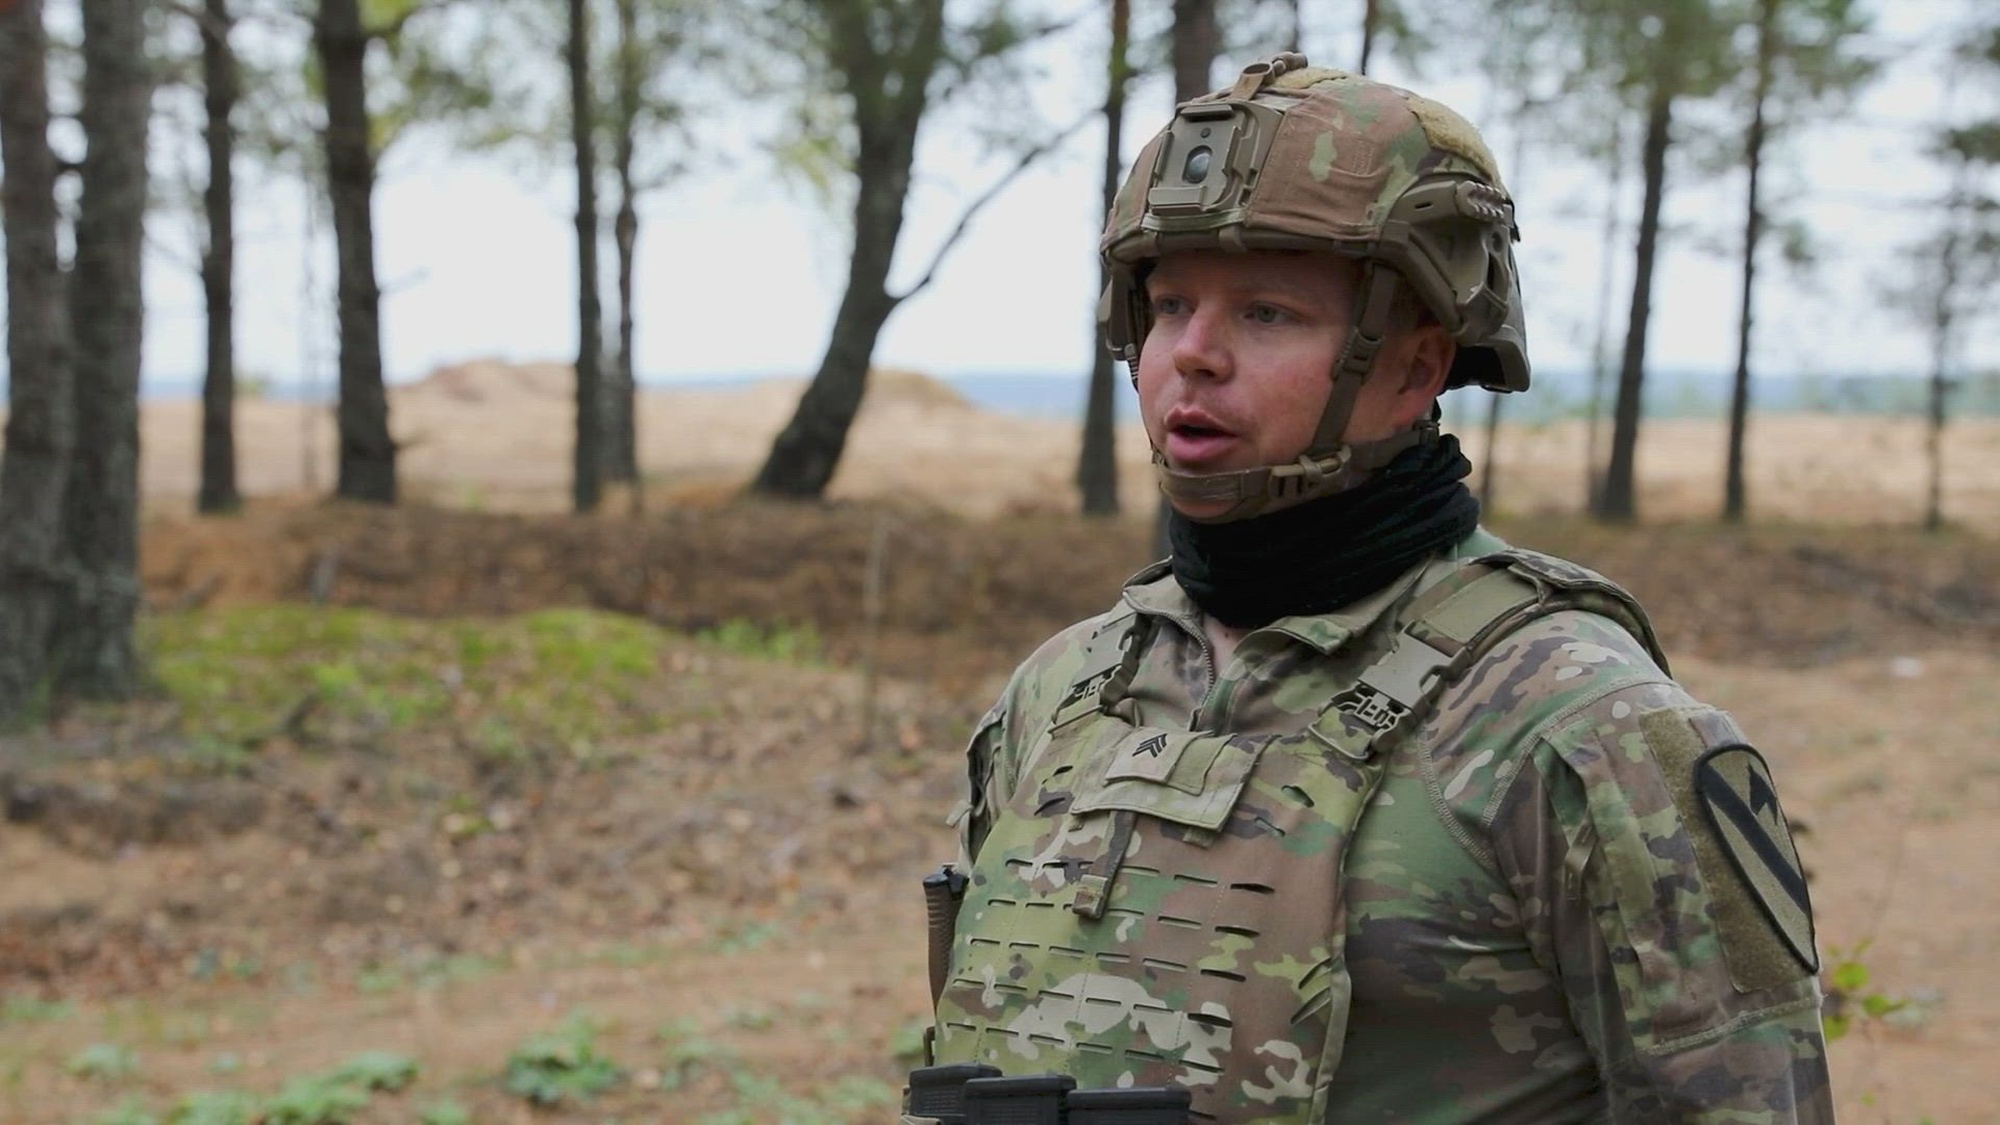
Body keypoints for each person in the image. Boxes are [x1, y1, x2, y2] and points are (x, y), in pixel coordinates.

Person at [921, 55, 1832, 1123]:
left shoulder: (1575, 722)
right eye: (1169, 306)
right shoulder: (1063, 692)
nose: (1193, 357)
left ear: (1413, 365)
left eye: (1265, 314)